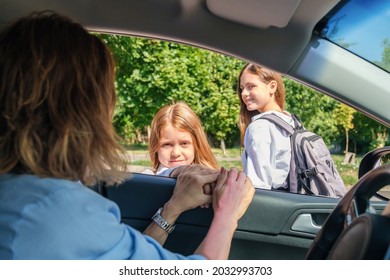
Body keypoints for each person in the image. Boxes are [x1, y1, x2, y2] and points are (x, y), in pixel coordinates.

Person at [0, 11, 255, 260]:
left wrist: (173, 203)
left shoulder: (21, 194)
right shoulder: (56, 212)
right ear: (82, 110)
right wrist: (226, 216)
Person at [237, 63, 295, 190]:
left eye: (251, 86)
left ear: (272, 87)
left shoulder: (260, 127)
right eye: (242, 88)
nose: (244, 94)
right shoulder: (291, 121)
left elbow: (257, 186)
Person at [146, 101, 219, 176]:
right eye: (167, 144)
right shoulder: (146, 181)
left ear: (196, 144)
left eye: (184, 143)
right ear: (155, 147)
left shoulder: (214, 179)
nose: (176, 153)